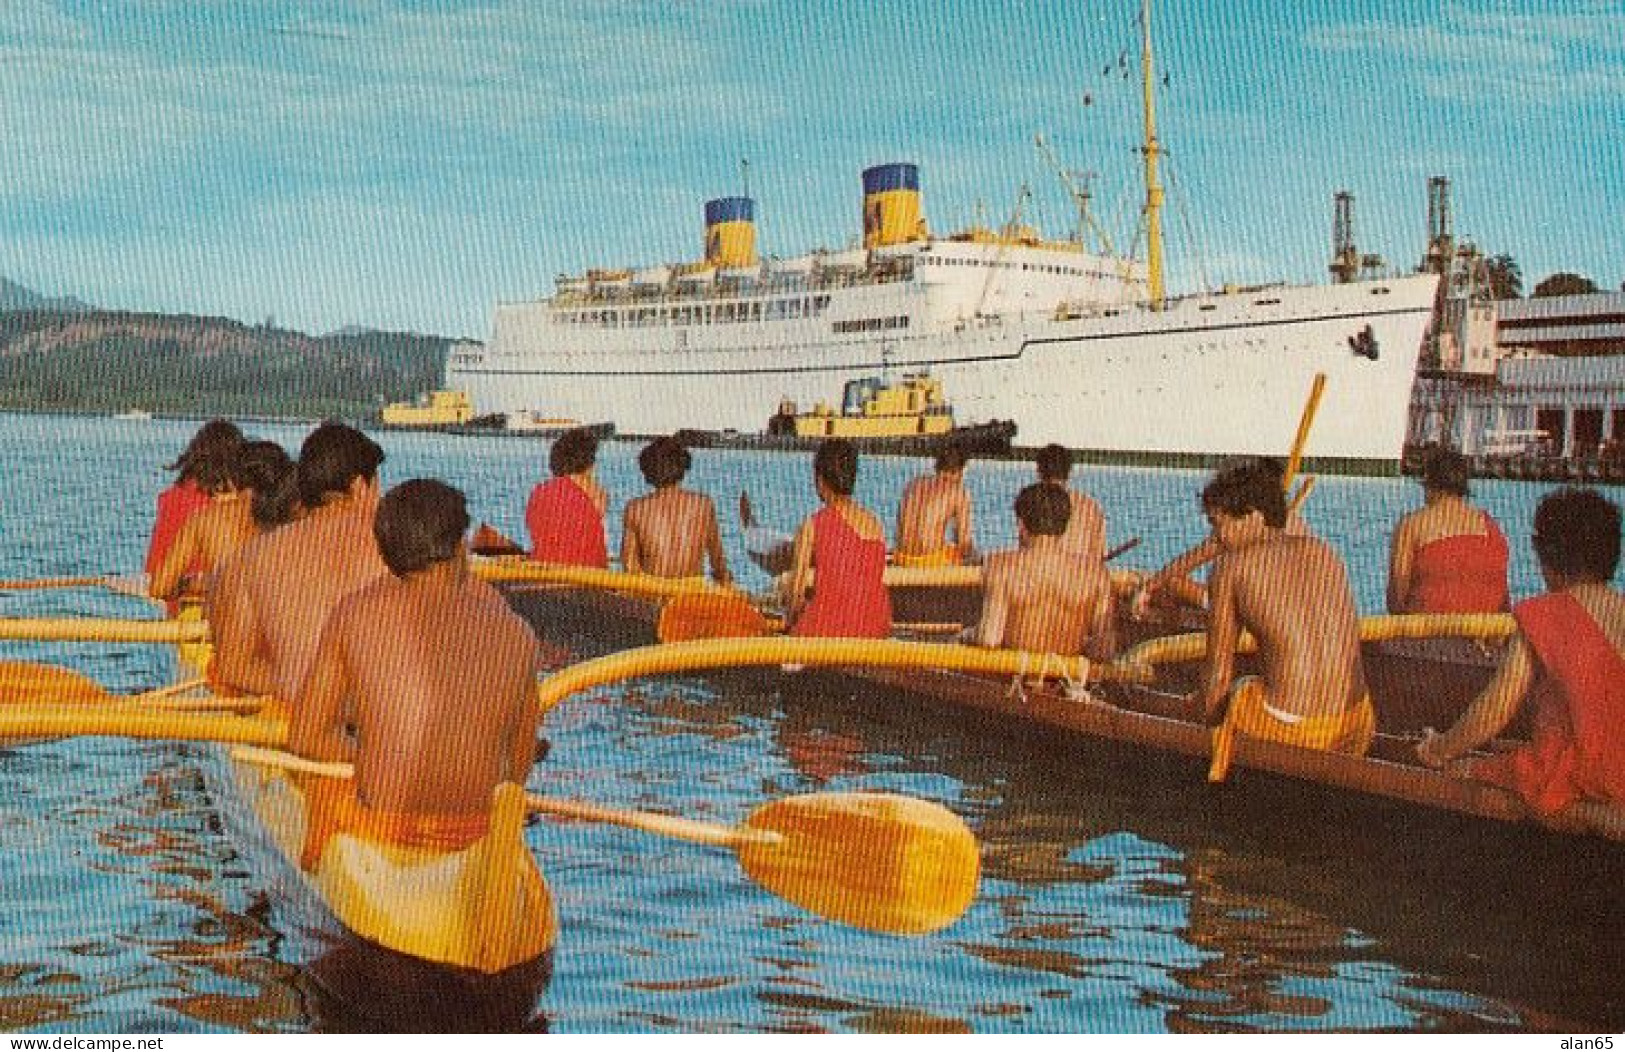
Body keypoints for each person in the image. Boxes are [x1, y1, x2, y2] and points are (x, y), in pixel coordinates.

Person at [290, 479, 542, 868]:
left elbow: (306, 735)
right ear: (460, 547)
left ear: (386, 553)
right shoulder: (519, 631)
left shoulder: (354, 614)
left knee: (325, 789)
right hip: (475, 832)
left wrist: (378, 757)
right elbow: (517, 768)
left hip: (389, 825)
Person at [1417, 489, 1625, 829]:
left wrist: (1440, 749)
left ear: (1548, 559)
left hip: (1585, 778)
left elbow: (1495, 709)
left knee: (1468, 769)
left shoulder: (1544, 612)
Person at [1195, 459, 1374, 783]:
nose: (1216, 537)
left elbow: (1218, 674)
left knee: (1237, 689)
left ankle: (1215, 781)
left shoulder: (1230, 567)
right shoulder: (1324, 551)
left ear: (1253, 515)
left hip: (1291, 731)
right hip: (1356, 726)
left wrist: (1204, 731)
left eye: (1217, 524)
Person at [209, 422, 387, 699]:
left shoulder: (247, 559)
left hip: (301, 715)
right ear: (361, 487)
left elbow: (233, 667)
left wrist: (307, 691)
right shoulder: (400, 546)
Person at [974, 483, 1115, 660]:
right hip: (1068, 679)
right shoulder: (1097, 573)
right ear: (1065, 525)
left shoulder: (1000, 566)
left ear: (1021, 524)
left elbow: (989, 638)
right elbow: (1104, 650)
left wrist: (968, 635)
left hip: (1013, 678)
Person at [150, 440, 294, 603]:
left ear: (235, 477)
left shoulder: (206, 520)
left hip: (229, 620)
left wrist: (194, 583)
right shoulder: (292, 519)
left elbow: (159, 587)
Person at [784, 439, 892, 637]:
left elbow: (795, 595)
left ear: (820, 479)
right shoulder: (875, 523)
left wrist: (790, 625)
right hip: (876, 627)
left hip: (830, 628)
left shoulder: (812, 525)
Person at [1387, 445, 1509, 614]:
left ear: (1430, 485)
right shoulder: (1490, 526)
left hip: (1431, 635)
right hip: (1487, 633)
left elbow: (1396, 599)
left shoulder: (1413, 525)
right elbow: (1503, 598)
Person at [621, 437, 730, 583]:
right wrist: (728, 586)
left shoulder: (635, 509)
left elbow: (630, 567)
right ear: (683, 469)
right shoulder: (703, 505)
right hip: (689, 596)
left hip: (652, 594)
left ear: (647, 472)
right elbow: (718, 563)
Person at [145, 419, 243, 578]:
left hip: (169, 588)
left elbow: (153, 565)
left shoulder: (171, 497)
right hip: (211, 590)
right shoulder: (230, 504)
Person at [525, 427, 608, 567]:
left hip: (545, 572)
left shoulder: (539, 491)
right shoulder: (597, 493)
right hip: (587, 577)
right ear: (589, 462)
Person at [895, 441, 974, 567]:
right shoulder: (958, 491)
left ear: (937, 465)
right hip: (929, 561)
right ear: (962, 468)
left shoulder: (913, 485)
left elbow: (899, 532)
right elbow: (965, 542)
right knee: (967, 554)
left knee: (949, 548)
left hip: (901, 558)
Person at [1035, 443, 1106, 566]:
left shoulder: (1031, 503)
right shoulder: (1090, 506)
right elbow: (1098, 555)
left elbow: (1027, 552)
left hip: (1042, 574)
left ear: (1039, 471)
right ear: (1069, 472)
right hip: (1080, 577)